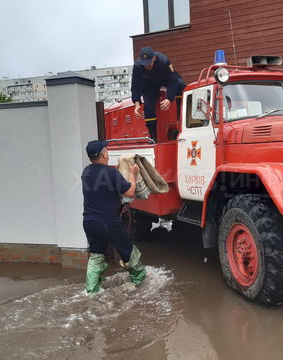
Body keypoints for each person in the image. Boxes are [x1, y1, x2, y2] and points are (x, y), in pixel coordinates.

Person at [81, 140, 146, 293]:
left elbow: (102, 186)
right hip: (108, 222)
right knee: (130, 253)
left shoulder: (86, 172)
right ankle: (141, 283)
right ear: (104, 153)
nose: (107, 153)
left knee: (96, 257)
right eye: (106, 150)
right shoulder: (111, 173)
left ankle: (91, 292)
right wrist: (132, 174)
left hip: (89, 222)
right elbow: (129, 192)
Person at [132, 46, 186, 142]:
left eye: (149, 63)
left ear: (154, 58)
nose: (147, 66)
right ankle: (153, 136)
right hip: (149, 85)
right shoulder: (137, 67)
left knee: (180, 84)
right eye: (144, 64)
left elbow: (173, 80)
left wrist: (169, 98)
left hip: (165, 79)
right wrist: (136, 103)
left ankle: (180, 118)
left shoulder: (164, 61)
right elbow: (135, 85)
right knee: (148, 104)